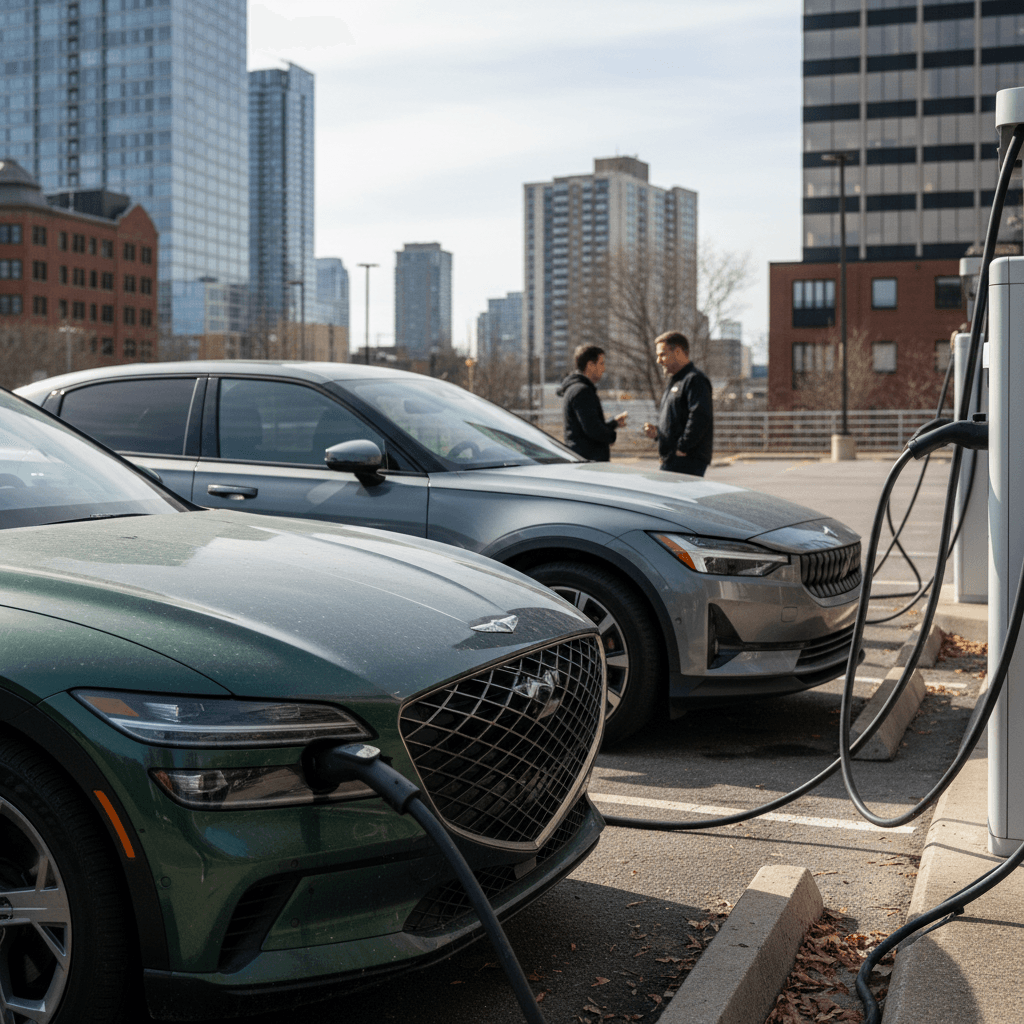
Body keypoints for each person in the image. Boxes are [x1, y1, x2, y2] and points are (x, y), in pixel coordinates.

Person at [643, 331, 713, 476]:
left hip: (686, 461)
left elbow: (700, 416)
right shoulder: (676, 381)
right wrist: (658, 433)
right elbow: (677, 420)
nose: (658, 360)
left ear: (678, 352)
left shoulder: (694, 380)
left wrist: (682, 447)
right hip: (674, 459)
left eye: (662, 354)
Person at [556, 344, 628, 461]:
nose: (604, 369)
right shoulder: (582, 391)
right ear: (590, 365)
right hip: (590, 461)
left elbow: (587, 425)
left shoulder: (574, 388)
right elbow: (593, 429)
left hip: (583, 458)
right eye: (601, 363)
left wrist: (613, 423)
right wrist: (611, 437)